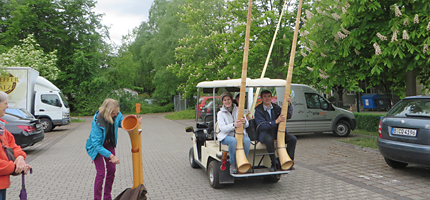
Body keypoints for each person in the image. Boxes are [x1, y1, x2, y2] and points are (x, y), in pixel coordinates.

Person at [86, 98, 142, 200]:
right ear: (108, 112)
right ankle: (97, 198)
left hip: (109, 143)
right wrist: (111, 156)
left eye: (117, 112)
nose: (116, 115)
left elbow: (123, 123)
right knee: (101, 173)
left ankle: (107, 197)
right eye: (114, 113)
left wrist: (135, 122)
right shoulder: (98, 121)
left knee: (112, 170)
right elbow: (97, 145)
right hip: (96, 147)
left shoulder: (117, 114)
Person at [254, 90, 296, 171]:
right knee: (269, 140)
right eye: (265, 97)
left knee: (293, 139)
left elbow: (288, 116)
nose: (267, 98)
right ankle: (274, 163)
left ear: (271, 97)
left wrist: (289, 104)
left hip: (277, 132)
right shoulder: (258, 110)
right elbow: (262, 126)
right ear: (261, 98)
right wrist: (276, 121)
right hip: (265, 133)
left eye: (269, 96)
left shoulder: (275, 107)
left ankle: (288, 161)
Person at [0, 91, 32, 200]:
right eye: (5, 103)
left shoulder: (2, 130)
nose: (7, 106)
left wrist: (20, 158)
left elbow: (14, 147)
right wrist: (16, 167)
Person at [217, 92, 251, 174]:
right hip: (226, 135)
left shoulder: (239, 109)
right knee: (233, 141)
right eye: (225, 100)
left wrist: (244, 122)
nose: (227, 101)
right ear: (222, 102)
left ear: (231, 100)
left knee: (247, 141)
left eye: (228, 99)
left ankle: (244, 161)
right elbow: (222, 128)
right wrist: (233, 125)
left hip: (239, 134)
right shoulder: (220, 113)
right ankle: (232, 163)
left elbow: (246, 125)